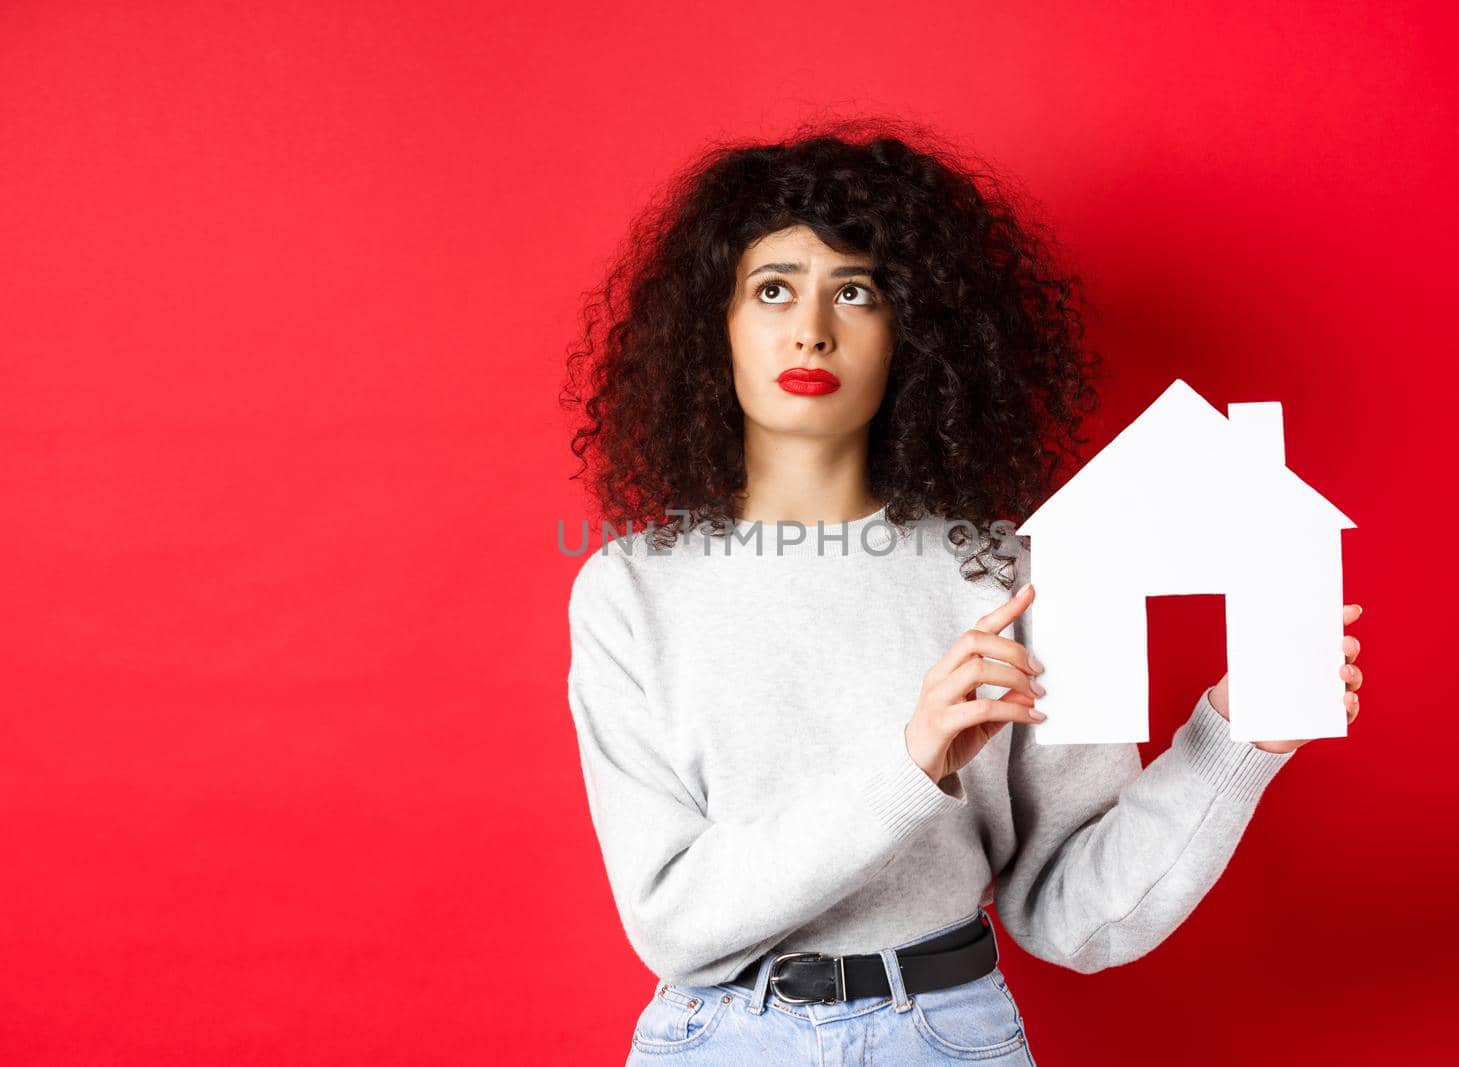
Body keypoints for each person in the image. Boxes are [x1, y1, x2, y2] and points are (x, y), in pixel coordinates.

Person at [558, 118, 1365, 1065]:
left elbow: (1074, 918)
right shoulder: (631, 591)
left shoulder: (1007, 572)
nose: (811, 328)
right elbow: (674, 923)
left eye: (853, 291)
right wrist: (912, 763)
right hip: (717, 1039)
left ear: (913, 328)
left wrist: (1232, 742)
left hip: (944, 1037)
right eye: (773, 290)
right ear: (716, 326)